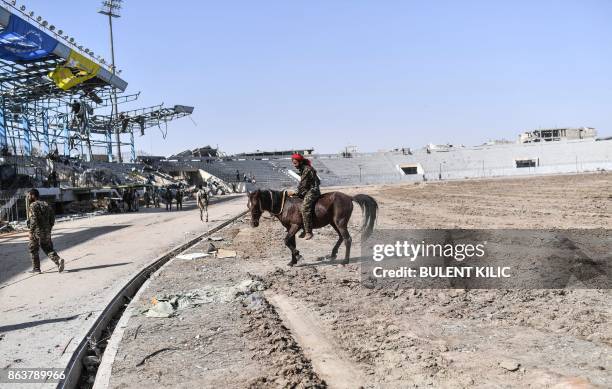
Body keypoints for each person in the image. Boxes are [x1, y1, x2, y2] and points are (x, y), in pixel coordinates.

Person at [26, 189, 64, 273]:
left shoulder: (33, 205)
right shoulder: (46, 204)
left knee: (33, 248)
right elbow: (52, 218)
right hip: (46, 230)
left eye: (29, 195)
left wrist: (31, 232)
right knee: (47, 247)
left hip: (37, 231)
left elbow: (33, 219)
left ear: (33, 195)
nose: (28, 197)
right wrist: (49, 228)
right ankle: (58, 260)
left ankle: (36, 268)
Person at [287, 153, 320, 240]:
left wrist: (295, 192)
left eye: (295, 163)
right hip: (307, 190)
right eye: (293, 163)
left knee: (305, 208)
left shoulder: (307, 169)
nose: (294, 165)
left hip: (313, 190)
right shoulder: (302, 169)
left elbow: (303, 185)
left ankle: (308, 231)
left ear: (300, 161)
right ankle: (302, 226)